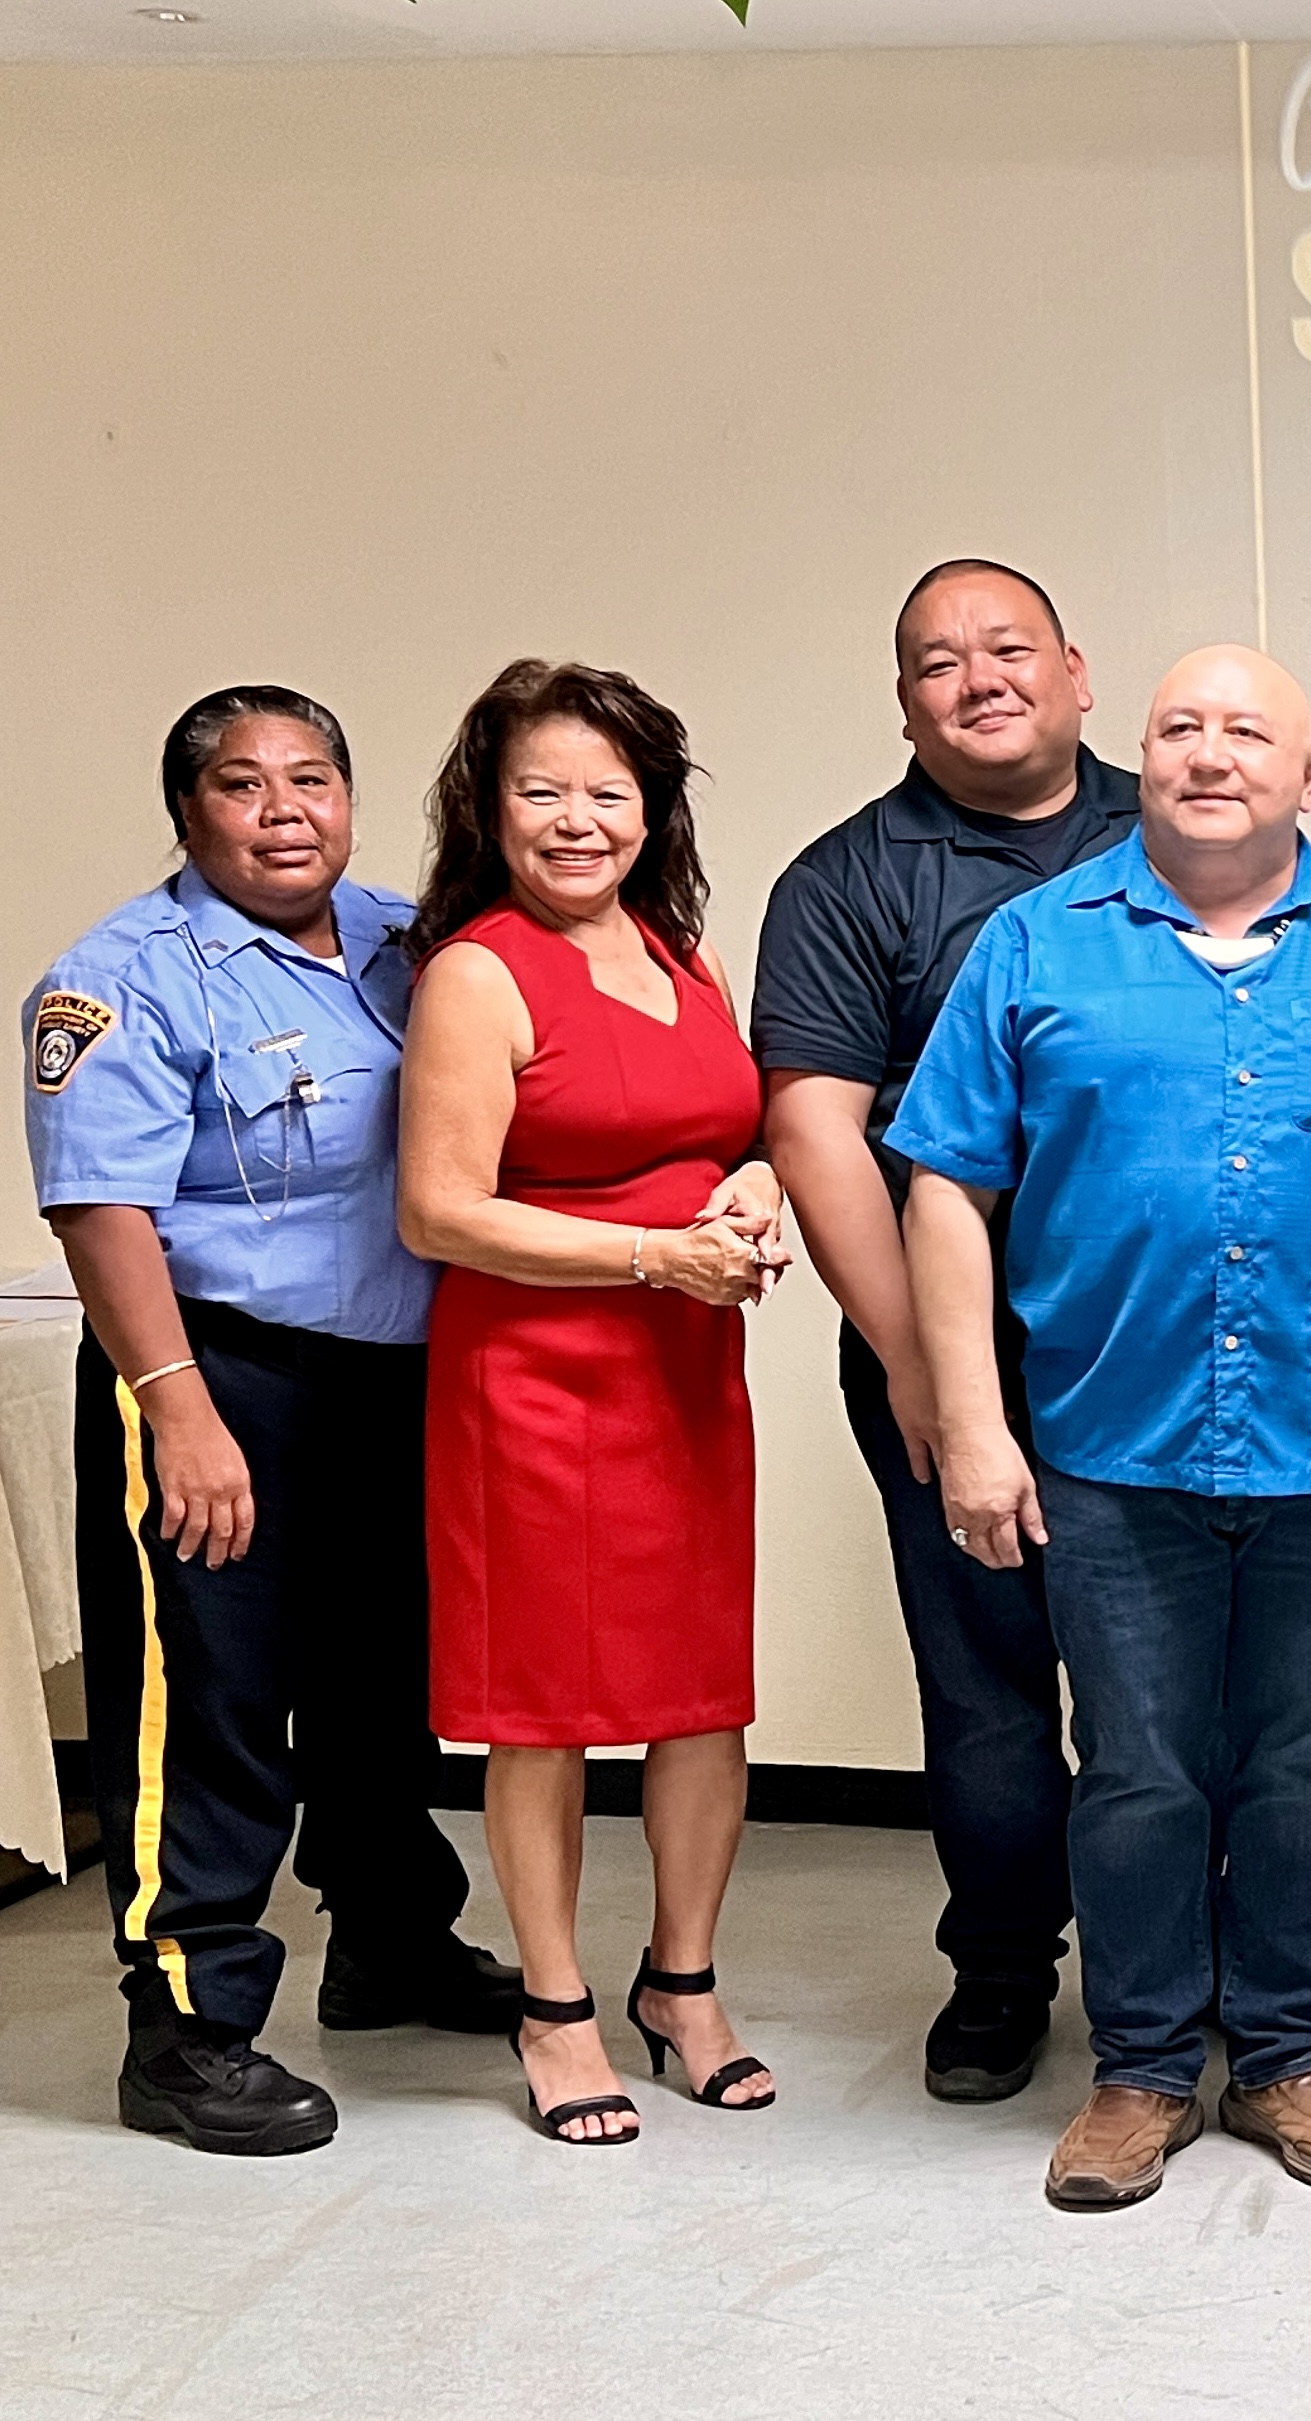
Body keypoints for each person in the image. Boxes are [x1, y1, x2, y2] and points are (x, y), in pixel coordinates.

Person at [893, 644, 1311, 2215]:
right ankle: (1145, 2067)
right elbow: (946, 1187)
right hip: (1104, 1447)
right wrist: (973, 1417)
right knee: (1140, 1772)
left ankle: (1292, 2055)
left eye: (1250, 730)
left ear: (1310, 774)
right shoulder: (1035, 948)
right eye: (1181, 725)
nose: (1210, 751)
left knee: (1300, 1767)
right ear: (1138, 753)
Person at [25, 688, 517, 2158]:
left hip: (390, 1372)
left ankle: (387, 1936)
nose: (284, 808)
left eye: (313, 777)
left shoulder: (410, 939)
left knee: (383, 1673)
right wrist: (176, 1406)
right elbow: (99, 1209)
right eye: (243, 785)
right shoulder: (122, 977)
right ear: (188, 813)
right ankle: (188, 2023)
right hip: (213, 1369)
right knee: (214, 1695)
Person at [754, 560, 1135, 2102]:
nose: (977, 677)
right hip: (946, 1342)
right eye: (935, 661)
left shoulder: (1177, 829)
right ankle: (997, 1968)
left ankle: (1178, 1961)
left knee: (1169, 1678)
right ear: (903, 698)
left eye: (1008, 647)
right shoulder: (848, 879)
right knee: (986, 1680)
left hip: (1158, 1339)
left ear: (1077, 669)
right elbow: (816, 1126)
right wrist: (924, 1359)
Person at [398, 659, 791, 2148]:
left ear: (653, 808)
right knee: (547, 1710)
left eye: (607, 793)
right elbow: (439, 1211)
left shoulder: (680, 953)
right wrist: (653, 1254)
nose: (578, 820)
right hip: (533, 1382)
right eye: (542, 792)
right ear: (490, 811)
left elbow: (728, 1135)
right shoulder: (478, 970)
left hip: (690, 1373)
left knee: (703, 1698)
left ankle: (681, 1983)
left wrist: (750, 1196)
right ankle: (556, 2005)